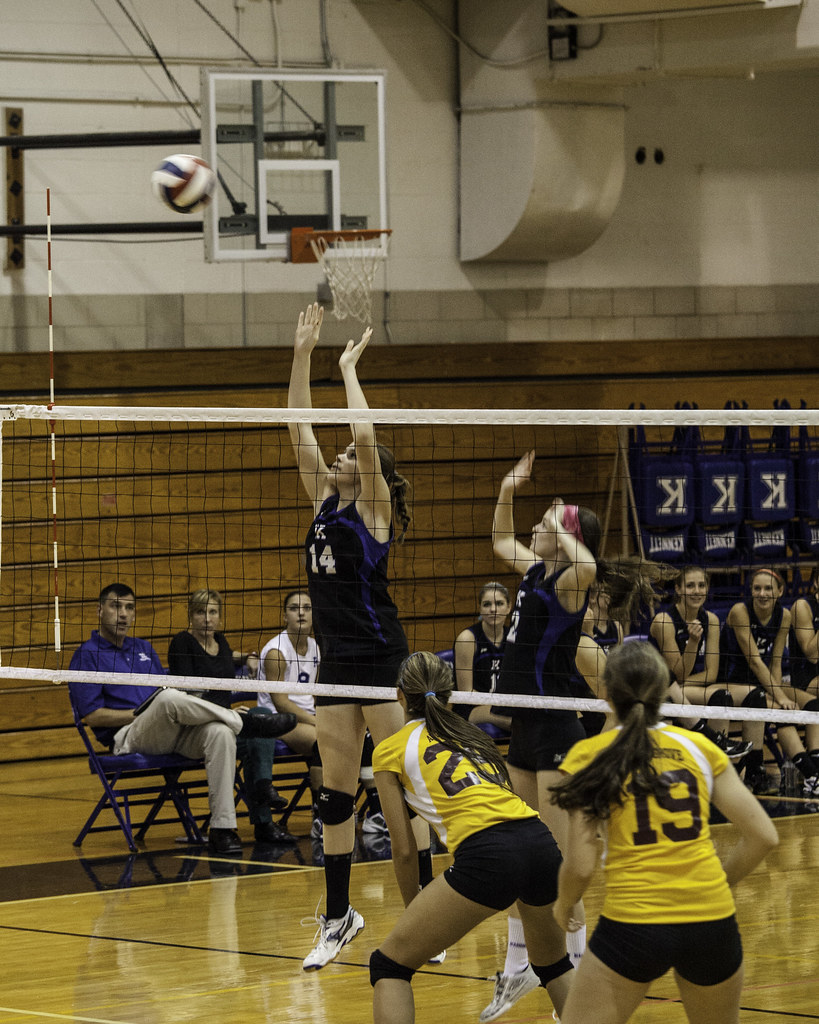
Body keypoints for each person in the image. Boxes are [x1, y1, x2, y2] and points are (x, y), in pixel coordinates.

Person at [550, 641, 778, 1024]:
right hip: (711, 920)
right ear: (663, 691)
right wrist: (718, 883)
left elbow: (580, 864)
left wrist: (563, 904)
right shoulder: (699, 747)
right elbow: (764, 837)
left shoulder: (590, 756)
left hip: (634, 923)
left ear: (606, 694)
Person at [287, 304, 417, 969]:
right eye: (334, 456)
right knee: (334, 796)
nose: (336, 456)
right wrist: (303, 352)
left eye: (346, 456)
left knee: (403, 797)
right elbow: (296, 425)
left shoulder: (373, 509)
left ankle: (425, 917)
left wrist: (347, 368)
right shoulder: (320, 503)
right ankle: (338, 917)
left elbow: (363, 438)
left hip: (381, 660)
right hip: (337, 664)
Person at [370, 652, 573, 1024]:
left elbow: (402, 850)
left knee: (388, 967)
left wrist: (411, 905)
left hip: (488, 854)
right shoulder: (473, 736)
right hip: (539, 841)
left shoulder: (389, 749)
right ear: (450, 697)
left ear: (400, 696)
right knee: (555, 965)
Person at [68, 583, 296, 856]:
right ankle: (242, 722)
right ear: (99, 610)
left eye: (129, 607)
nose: (123, 614)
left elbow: (175, 692)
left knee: (220, 733)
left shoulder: (143, 648)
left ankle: (222, 830)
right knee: (167, 700)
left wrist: (243, 658)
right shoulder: (87, 654)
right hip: (129, 735)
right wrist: (139, 713)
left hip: (170, 728)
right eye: (116, 606)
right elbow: (93, 716)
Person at [167, 588, 297, 845]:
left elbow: (226, 656)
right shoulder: (182, 643)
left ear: (220, 617)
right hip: (199, 730)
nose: (207, 618)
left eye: (213, 612)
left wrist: (249, 657)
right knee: (256, 727)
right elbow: (186, 698)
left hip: (228, 726)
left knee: (261, 715)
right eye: (201, 612)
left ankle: (262, 796)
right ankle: (264, 818)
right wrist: (225, 713)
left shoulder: (221, 641)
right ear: (191, 616)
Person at [721, 567, 819, 797]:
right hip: (733, 681)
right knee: (780, 710)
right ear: (751, 591)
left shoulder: (784, 616)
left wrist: (777, 694)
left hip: (764, 682)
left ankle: (816, 769)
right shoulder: (740, 611)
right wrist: (780, 699)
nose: (762, 593)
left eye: (768, 588)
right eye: (757, 588)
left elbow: (775, 662)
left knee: (812, 705)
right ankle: (811, 775)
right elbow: (755, 662)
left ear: (780, 591)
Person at [650, 566, 752, 761]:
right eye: (690, 585)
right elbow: (677, 674)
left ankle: (750, 771)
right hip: (659, 690)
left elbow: (711, 674)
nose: (696, 591)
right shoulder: (664, 621)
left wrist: (679, 687)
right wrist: (693, 643)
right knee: (679, 694)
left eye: (701, 585)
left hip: (683, 688)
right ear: (678, 589)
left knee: (751, 696)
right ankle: (716, 745)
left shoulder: (711, 620)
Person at [258, 589, 324, 837]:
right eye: (295, 608)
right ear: (285, 615)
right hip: (275, 719)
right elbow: (281, 703)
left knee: (348, 739)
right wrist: (317, 721)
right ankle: (321, 815)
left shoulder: (316, 647)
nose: (301, 613)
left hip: (306, 719)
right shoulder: (277, 651)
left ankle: (374, 810)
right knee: (323, 741)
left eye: (307, 608)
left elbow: (316, 695)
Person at [453, 581, 512, 732]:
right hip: (472, 708)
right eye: (487, 604)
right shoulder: (467, 638)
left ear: (509, 607)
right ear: (479, 608)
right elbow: (466, 693)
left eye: (499, 603)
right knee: (516, 721)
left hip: (505, 705)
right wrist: (499, 702)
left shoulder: (514, 639)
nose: (493, 609)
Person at [787, 566, 819, 782]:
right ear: (816, 582)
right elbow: (812, 655)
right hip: (803, 680)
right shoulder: (803, 606)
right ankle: (815, 759)